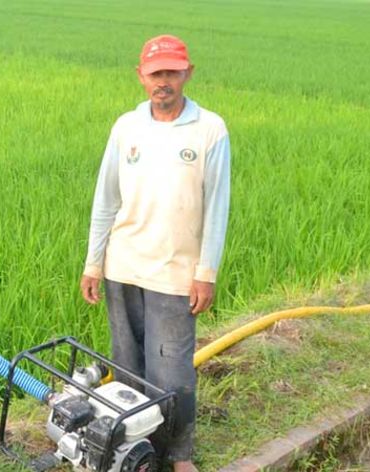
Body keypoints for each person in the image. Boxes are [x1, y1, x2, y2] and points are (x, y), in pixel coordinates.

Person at [79, 34, 231, 472]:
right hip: (123, 265)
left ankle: (179, 455)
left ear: (188, 73)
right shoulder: (126, 127)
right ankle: (135, 451)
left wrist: (207, 272)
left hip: (174, 274)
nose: (163, 81)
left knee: (172, 374)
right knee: (125, 367)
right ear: (141, 76)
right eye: (155, 73)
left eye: (171, 71)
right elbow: (105, 199)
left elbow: (217, 207)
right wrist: (94, 261)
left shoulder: (209, 130)